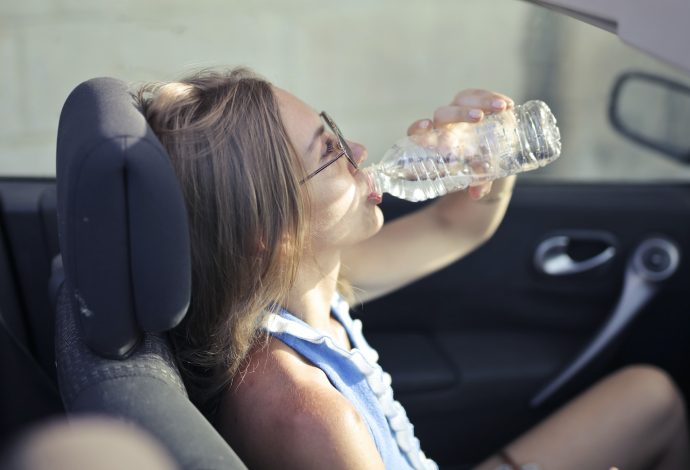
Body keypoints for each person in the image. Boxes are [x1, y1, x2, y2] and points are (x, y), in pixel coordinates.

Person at [138, 68, 690, 470]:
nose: (358, 149)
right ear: (271, 231)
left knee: (651, 396)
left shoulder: (298, 289)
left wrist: (491, 159)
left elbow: (458, 228)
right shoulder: (304, 411)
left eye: (334, 129)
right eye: (330, 152)